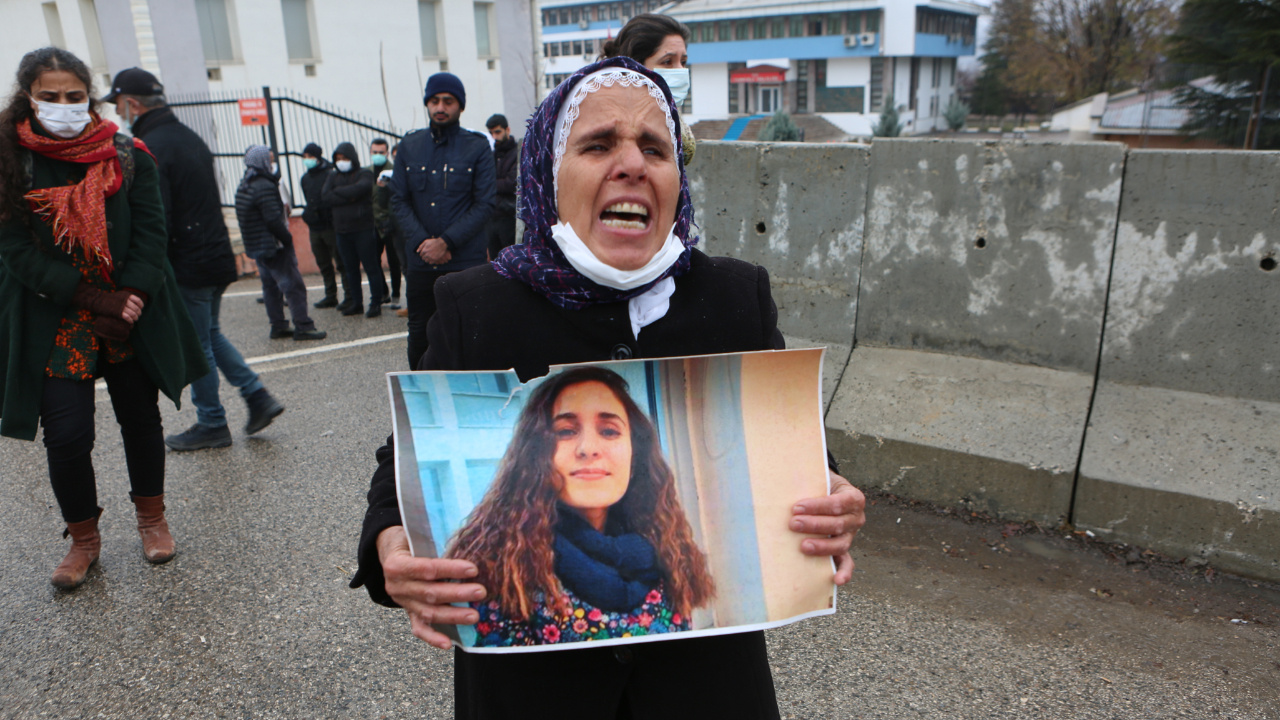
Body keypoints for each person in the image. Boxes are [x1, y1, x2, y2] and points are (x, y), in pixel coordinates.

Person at [353, 57, 865, 718]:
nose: (633, 164)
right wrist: (390, 544)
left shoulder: (735, 298)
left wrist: (834, 491)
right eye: (598, 145)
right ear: (546, 172)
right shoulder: (476, 308)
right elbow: (402, 463)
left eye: (656, 147)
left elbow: (797, 446)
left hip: (705, 691)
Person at [0, 47, 208, 588]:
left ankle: (152, 519)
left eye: (74, 96)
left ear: (89, 97)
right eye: (50, 96)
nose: (63, 105)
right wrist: (92, 298)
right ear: (29, 97)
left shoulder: (124, 151)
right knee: (67, 437)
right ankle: (84, 540)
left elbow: (150, 232)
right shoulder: (10, 158)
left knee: (140, 419)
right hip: (59, 313)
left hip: (127, 308)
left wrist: (132, 295)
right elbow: (15, 250)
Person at [447, 366, 714, 647]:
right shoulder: (508, 565)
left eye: (609, 431)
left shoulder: (667, 549)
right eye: (565, 431)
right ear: (537, 456)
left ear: (635, 456)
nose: (588, 448)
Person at [104, 67, 285, 451]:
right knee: (210, 335)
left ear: (131, 103)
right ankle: (256, 396)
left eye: (119, 103)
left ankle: (212, 422)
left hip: (189, 262)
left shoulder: (150, 145)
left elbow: (158, 215)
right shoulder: (186, 136)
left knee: (199, 344)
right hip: (215, 254)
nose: (118, 112)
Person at [388, 72, 494, 369]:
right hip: (421, 262)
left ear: (460, 106)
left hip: (465, 263)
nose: (440, 107)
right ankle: (424, 402)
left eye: (448, 101)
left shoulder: (477, 147)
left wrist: (447, 242)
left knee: (469, 333)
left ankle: (470, 403)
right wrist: (424, 242)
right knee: (420, 334)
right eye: (434, 101)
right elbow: (399, 199)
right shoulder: (409, 146)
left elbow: (485, 203)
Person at [234, 145, 327, 340]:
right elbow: (271, 219)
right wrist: (286, 238)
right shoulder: (264, 185)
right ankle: (303, 326)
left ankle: (278, 325)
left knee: (270, 286)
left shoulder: (246, 183)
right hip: (272, 245)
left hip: (257, 245)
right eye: (269, 159)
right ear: (262, 162)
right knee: (293, 285)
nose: (272, 163)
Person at [601, 13, 696, 165]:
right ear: (636, 66)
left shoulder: (671, 119)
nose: (680, 70)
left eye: (683, 62)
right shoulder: (611, 123)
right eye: (667, 62)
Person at [322, 141, 385, 318]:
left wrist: (339, 193)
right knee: (350, 269)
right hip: (342, 231)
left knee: (371, 268)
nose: (341, 161)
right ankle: (356, 302)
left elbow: (362, 188)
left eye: (345, 158)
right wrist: (349, 196)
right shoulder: (332, 176)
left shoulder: (364, 173)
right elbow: (326, 196)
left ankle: (376, 303)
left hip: (363, 229)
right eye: (338, 158)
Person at [299, 142, 351, 310]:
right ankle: (330, 295)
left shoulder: (330, 174)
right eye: (305, 157)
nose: (307, 160)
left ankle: (349, 296)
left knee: (341, 262)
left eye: (310, 156)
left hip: (330, 226)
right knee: (323, 263)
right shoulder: (305, 178)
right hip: (315, 227)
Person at [370, 138, 401, 309]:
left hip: (390, 222)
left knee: (393, 261)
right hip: (373, 223)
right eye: (375, 152)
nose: (377, 155)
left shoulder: (394, 170)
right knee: (373, 260)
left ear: (387, 153)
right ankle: (383, 292)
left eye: (381, 152)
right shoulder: (367, 172)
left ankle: (396, 294)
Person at [484, 114, 519, 260]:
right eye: (492, 133)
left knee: (511, 259)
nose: (495, 136)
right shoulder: (491, 154)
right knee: (494, 262)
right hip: (492, 217)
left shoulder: (517, 152)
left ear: (507, 130)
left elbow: (512, 183)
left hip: (509, 216)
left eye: (497, 132)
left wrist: (490, 184)